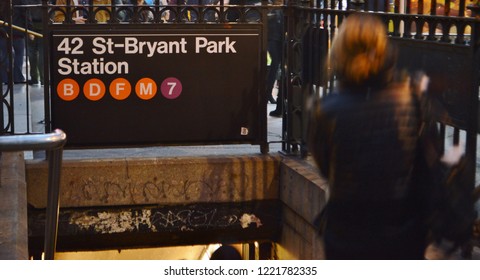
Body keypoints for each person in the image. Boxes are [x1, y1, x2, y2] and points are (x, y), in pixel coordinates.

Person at [307, 13, 439, 259]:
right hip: (403, 232)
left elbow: (327, 168)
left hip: (346, 234)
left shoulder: (325, 109)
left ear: (339, 50)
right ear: (383, 48)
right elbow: (427, 166)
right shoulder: (410, 99)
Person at [0, 0, 29, 84]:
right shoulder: (20, 2)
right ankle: (18, 78)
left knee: (4, 55)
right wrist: (28, 28)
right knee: (19, 56)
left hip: (3, 31)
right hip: (18, 30)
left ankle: (5, 78)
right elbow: (26, 14)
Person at [26, 0, 44, 85]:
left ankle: (34, 78)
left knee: (32, 52)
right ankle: (44, 78)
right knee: (42, 52)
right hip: (43, 25)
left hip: (30, 25)